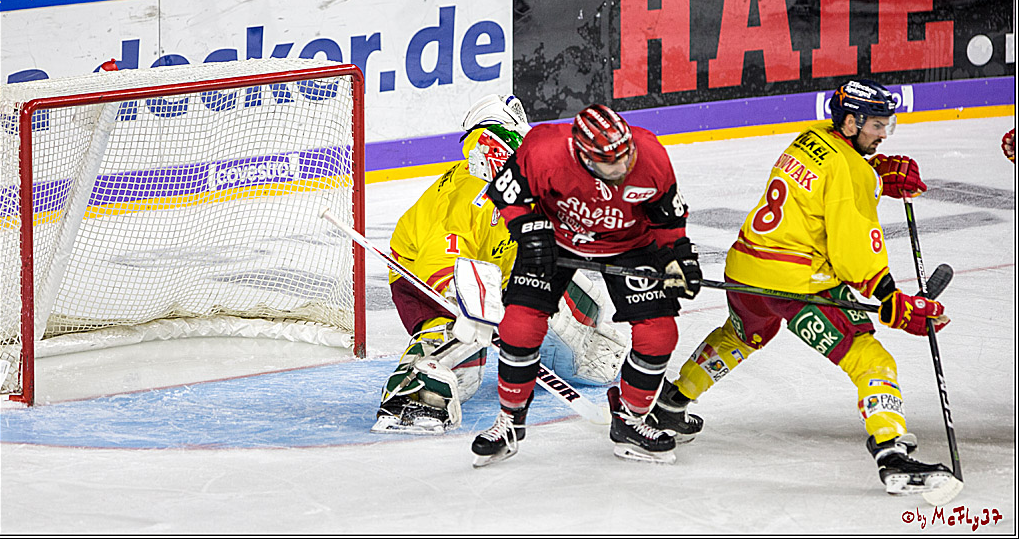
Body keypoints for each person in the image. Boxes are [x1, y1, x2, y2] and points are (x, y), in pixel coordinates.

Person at [655, 79, 955, 496]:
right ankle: (892, 456)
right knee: (871, 358)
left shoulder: (811, 138)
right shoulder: (852, 171)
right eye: (876, 125)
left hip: (745, 269)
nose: (884, 134)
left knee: (740, 336)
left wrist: (875, 176)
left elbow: (827, 183)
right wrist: (892, 299)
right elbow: (854, 254)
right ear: (850, 123)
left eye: (887, 125)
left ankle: (671, 404)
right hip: (798, 286)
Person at [375, 95, 628, 435]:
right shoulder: (466, 194)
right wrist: (472, 303)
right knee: (462, 344)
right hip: (423, 279)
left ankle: (576, 342)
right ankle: (409, 396)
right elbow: (438, 259)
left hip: (491, 271)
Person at [471, 103, 704, 466]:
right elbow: (507, 195)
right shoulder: (544, 149)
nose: (622, 167)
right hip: (556, 241)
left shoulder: (651, 155)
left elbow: (667, 220)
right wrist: (529, 232)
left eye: (626, 155)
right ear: (583, 155)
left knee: (659, 334)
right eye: (610, 162)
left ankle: (630, 420)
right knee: (519, 326)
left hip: (630, 244)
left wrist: (678, 258)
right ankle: (509, 421)